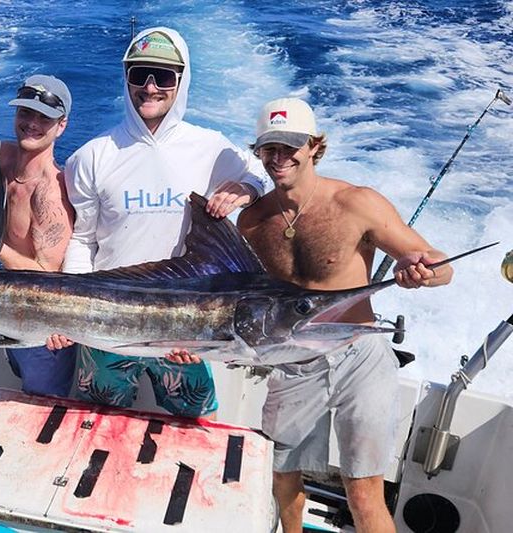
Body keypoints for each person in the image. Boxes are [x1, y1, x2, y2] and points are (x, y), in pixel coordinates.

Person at [236, 97, 453, 533]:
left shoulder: (358, 203)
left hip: (360, 355)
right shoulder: (252, 222)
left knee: (363, 489)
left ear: (314, 147)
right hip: (292, 362)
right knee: (283, 476)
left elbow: (440, 264)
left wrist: (421, 273)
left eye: (289, 147)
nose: (278, 158)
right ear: (258, 151)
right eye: (268, 148)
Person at [58, 27, 266, 418]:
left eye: (164, 76)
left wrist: (246, 187)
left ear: (181, 81)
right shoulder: (91, 156)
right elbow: (83, 241)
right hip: (106, 325)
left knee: (197, 428)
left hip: (186, 327)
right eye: (140, 74)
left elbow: (263, 175)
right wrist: (71, 312)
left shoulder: (211, 147)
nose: (150, 87)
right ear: (127, 79)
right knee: (93, 426)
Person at [0, 74, 77, 397]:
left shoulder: (51, 193)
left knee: (40, 409)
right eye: (26, 113)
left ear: (61, 126)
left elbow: (49, 278)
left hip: (39, 328)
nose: (32, 123)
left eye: (44, 118)